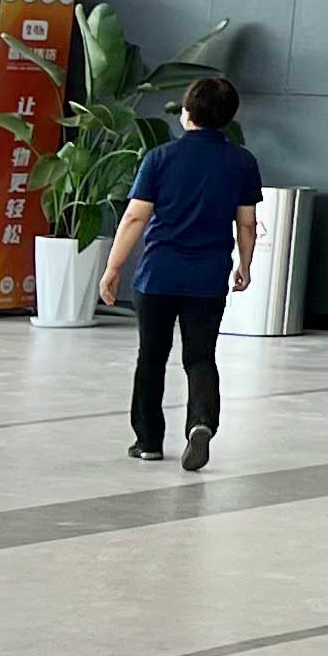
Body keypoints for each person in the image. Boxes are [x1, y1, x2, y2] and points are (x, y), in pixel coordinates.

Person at [102, 74, 261, 473]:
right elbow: (246, 222)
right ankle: (201, 423)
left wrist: (113, 266)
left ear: (187, 113)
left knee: (151, 357)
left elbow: (135, 217)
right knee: (200, 357)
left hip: (158, 275)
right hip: (208, 278)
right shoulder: (242, 161)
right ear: (229, 117)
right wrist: (245, 264)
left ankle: (148, 441)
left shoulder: (160, 158)